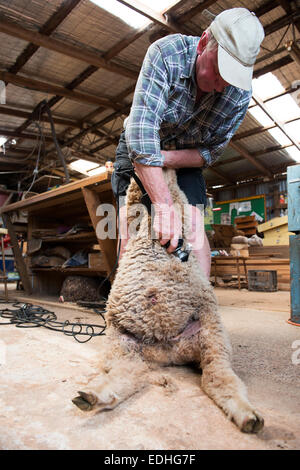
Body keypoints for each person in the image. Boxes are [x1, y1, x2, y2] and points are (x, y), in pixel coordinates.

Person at [111, 8, 265, 278]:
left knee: (194, 224)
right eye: (217, 72)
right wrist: (163, 206)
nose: (220, 86)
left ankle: (198, 307)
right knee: (131, 222)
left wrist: (166, 159)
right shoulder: (166, 54)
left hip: (184, 155)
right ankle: (127, 307)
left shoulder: (238, 95)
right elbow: (142, 130)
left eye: (230, 80)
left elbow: (210, 152)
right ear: (204, 43)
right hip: (140, 144)